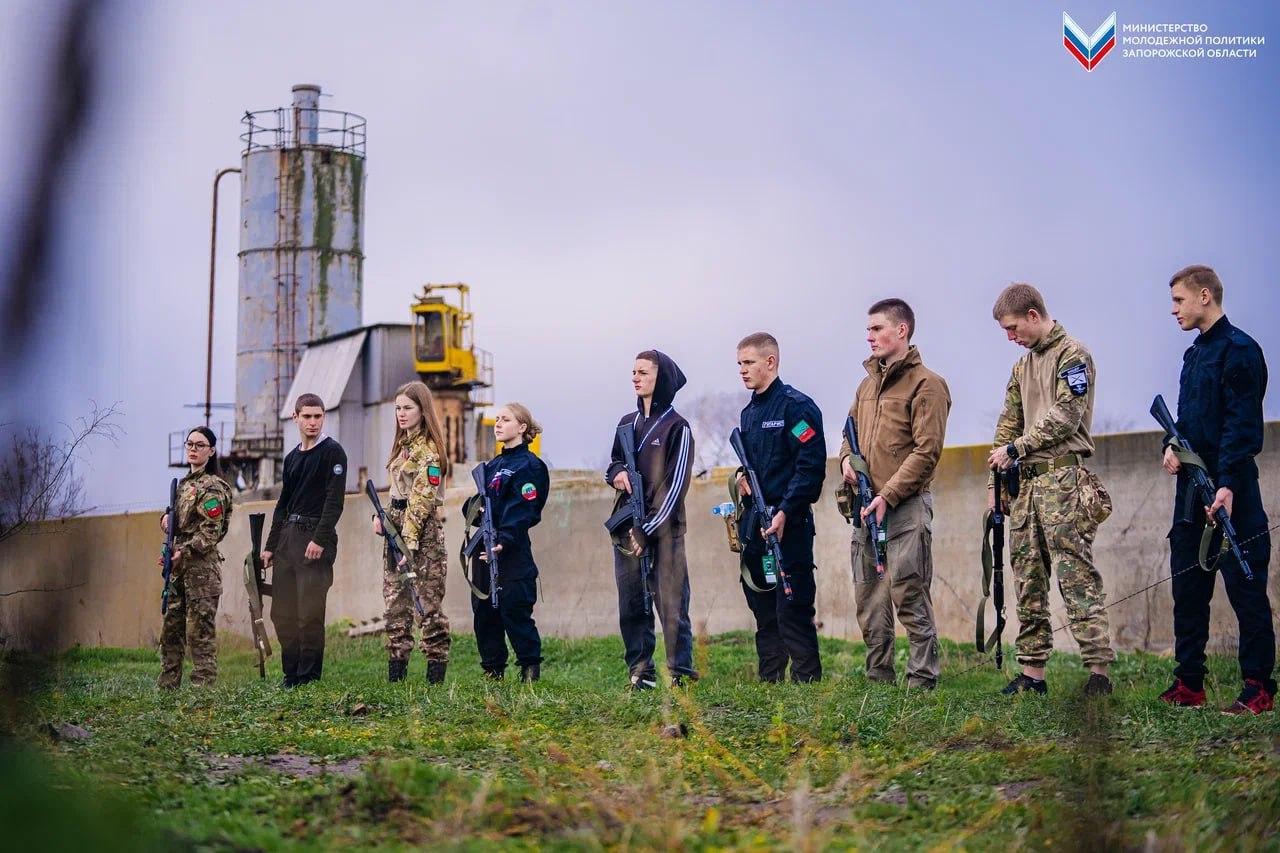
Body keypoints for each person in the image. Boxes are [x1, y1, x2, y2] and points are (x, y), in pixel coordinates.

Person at [988, 284, 1116, 697]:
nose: (1010, 337)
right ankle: (1032, 673)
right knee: (1028, 577)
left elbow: (1066, 415)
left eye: (1012, 328)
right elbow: (1009, 422)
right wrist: (998, 479)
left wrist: (1017, 447)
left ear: (1032, 314)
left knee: (1075, 575)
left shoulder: (1072, 354)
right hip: (1026, 486)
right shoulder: (1020, 367)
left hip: (1063, 481)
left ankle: (1099, 672)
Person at [1158, 264, 1274, 714]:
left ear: (1205, 296)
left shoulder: (1241, 350)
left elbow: (1241, 429)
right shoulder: (1193, 355)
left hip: (1233, 491)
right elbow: (1188, 424)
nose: (1174, 310)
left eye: (1179, 300)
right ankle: (1189, 684)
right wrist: (1171, 447)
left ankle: (1258, 687)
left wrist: (1226, 485)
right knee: (1188, 588)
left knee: (1247, 589)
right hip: (1190, 492)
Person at [838, 299, 950, 689]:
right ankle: (878, 680)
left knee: (910, 596)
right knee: (869, 600)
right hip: (865, 509)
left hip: (905, 508)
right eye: (868, 330)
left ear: (901, 330)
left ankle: (922, 682)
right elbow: (847, 437)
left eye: (877, 328)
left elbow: (927, 451)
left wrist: (887, 495)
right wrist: (844, 464)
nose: (869, 336)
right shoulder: (865, 386)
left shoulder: (928, 384)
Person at [734, 332, 826, 683]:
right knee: (762, 608)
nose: (742, 370)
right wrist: (742, 481)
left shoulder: (796, 408)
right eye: (739, 364)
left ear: (770, 362)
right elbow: (758, 467)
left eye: (749, 363)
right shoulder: (749, 414)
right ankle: (769, 682)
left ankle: (807, 684)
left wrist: (786, 510)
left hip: (790, 524)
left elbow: (810, 468)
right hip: (757, 525)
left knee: (793, 608)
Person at [605, 350, 698, 691]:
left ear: (661, 379)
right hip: (627, 530)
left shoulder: (678, 427)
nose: (635, 377)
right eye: (633, 371)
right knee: (632, 605)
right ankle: (641, 673)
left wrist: (648, 529)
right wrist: (617, 474)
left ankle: (680, 674)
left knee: (672, 605)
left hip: (664, 532)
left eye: (643, 371)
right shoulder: (626, 422)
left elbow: (676, 487)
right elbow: (613, 462)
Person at [262, 393, 347, 687]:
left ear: (323, 417)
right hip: (287, 539)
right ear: (295, 418)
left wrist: (320, 539)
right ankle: (291, 673)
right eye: (307, 416)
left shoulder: (333, 453)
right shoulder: (292, 458)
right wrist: (271, 545)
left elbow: (334, 502)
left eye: (318, 416)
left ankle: (308, 677)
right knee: (282, 613)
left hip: (314, 538)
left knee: (309, 613)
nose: (313, 422)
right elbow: (283, 503)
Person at [372, 381, 451, 684]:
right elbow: (397, 496)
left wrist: (410, 544)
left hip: (423, 536)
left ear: (422, 410)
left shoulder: (428, 452)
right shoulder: (403, 448)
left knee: (427, 607)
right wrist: (379, 519)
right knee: (395, 606)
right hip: (397, 531)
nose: (401, 414)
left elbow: (420, 503)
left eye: (408, 408)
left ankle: (435, 680)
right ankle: (396, 678)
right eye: (398, 409)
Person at [470, 403, 550, 682]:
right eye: (498, 419)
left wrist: (504, 539)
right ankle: (493, 671)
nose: (498, 424)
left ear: (523, 427)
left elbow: (525, 509)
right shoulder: (492, 466)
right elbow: (475, 504)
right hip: (483, 549)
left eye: (506, 419)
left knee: (514, 610)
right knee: (484, 612)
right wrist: (475, 509)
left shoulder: (531, 466)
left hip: (511, 552)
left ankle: (529, 670)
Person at [157, 426, 233, 689]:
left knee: (199, 635)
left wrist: (184, 551)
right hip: (178, 570)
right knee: (171, 631)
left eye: (199, 445)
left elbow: (210, 532)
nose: (192, 449)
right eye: (189, 444)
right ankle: (167, 687)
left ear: (211, 451)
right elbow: (177, 520)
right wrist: (166, 519)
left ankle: (202, 693)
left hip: (201, 572)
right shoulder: (183, 485)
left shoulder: (213, 487)